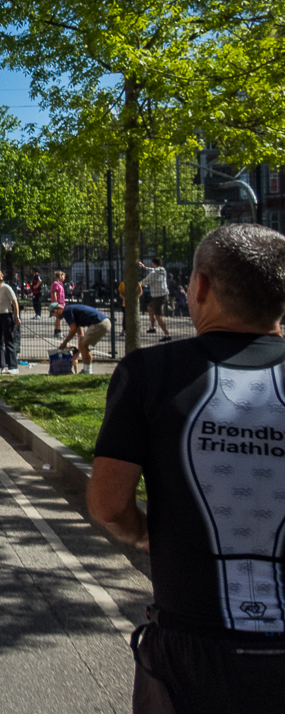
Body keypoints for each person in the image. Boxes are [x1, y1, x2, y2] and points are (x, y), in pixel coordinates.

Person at [87, 224, 285, 714]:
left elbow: (108, 504)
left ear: (199, 287)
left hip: (194, 645)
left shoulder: (152, 373)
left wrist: (142, 532)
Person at [50, 301, 111, 374]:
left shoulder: (66, 311)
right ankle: (87, 370)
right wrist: (78, 352)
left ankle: (87, 371)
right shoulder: (71, 310)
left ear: (55, 310)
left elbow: (73, 330)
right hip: (105, 322)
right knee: (84, 345)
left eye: (53, 314)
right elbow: (80, 334)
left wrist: (64, 343)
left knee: (84, 345)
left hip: (99, 323)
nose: (55, 317)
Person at [0, 269, 21, 374]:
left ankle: (13, 367)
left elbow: (14, 302)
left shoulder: (6, 288)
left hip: (6, 315)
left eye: (1, 280)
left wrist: (16, 316)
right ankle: (0, 366)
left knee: (9, 340)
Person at [139, 257, 171, 342]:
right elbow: (153, 270)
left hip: (158, 297)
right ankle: (152, 327)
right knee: (150, 308)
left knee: (158, 316)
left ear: (154, 263)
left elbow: (146, 280)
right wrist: (145, 267)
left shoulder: (154, 273)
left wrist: (138, 284)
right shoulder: (162, 270)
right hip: (160, 295)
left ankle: (167, 335)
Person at [50, 271, 66, 335]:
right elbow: (55, 293)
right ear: (60, 276)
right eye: (63, 276)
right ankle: (58, 331)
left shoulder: (60, 284)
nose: (64, 278)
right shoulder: (56, 284)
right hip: (58, 303)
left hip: (62, 303)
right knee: (59, 318)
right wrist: (56, 303)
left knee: (58, 318)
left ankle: (57, 331)